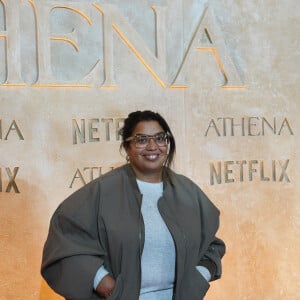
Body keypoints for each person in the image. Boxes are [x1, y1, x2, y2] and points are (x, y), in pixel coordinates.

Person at [41, 110, 225, 300]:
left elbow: (212, 245)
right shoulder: (102, 191)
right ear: (127, 147)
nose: (152, 146)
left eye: (160, 138)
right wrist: (100, 280)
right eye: (142, 140)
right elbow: (64, 242)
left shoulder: (188, 191)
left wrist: (200, 276)